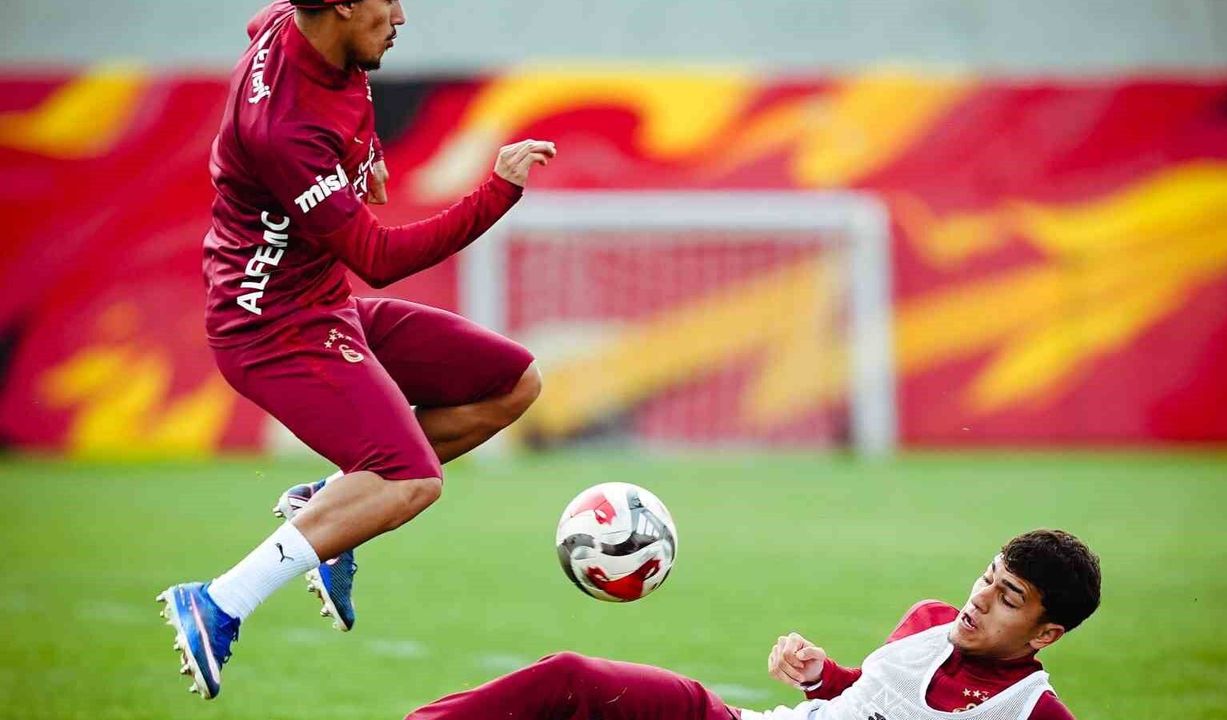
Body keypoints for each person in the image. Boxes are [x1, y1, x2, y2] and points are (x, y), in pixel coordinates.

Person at [156, 0, 556, 700]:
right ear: (341, 5)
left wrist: (365, 157)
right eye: (386, 0)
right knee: (410, 480)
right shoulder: (285, 129)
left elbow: (263, 21)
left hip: (323, 306)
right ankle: (218, 601)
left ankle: (332, 504)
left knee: (513, 382)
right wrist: (497, 192)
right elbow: (378, 257)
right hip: (270, 330)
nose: (400, 15)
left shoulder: (295, 26)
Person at [405, 529, 1101, 720]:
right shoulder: (929, 620)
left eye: (1009, 597)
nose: (980, 598)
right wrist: (821, 677)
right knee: (570, 678)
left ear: (1046, 634)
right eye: (986, 576)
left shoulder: (1029, 710)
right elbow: (864, 701)